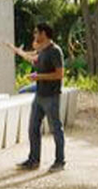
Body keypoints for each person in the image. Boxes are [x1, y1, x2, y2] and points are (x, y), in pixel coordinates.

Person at [10, 22, 65, 170]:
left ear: (43, 34)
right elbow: (32, 58)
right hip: (39, 96)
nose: (34, 35)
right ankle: (34, 160)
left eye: (36, 32)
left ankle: (60, 161)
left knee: (56, 129)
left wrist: (38, 77)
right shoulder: (42, 51)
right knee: (33, 128)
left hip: (51, 97)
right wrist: (16, 50)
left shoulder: (55, 51)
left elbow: (59, 74)